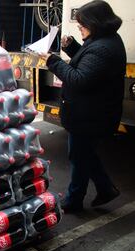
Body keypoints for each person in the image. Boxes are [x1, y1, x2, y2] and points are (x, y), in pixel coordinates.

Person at [40, 0, 126, 212]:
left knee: (79, 156)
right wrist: (72, 48)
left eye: (82, 24)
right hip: (91, 113)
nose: (79, 27)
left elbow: (79, 78)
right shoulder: (104, 41)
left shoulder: (103, 48)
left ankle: (74, 200)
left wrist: (53, 61)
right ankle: (106, 189)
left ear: (96, 23)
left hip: (91, 116)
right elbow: (89, 63)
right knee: (84, 154)